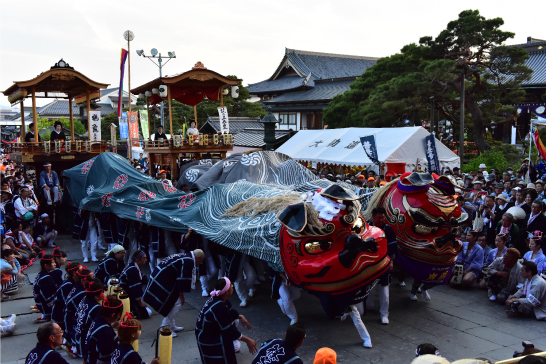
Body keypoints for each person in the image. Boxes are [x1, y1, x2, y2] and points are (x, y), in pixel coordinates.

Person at [195, 277, 257, 363]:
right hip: (207, 338)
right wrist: (248, 340)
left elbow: (230, 312)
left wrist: (240, 316)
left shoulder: (216, 298)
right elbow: (230, 330)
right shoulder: (219, 307)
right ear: (227, 291)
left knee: (235, 319)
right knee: (227, 351)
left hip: (206, 332)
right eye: (231, 285)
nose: (232, 287)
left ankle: (234, 345)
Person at [143, 249, 205, 337]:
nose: (199, 264)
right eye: (200, 261)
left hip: (160, 276)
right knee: (178, 302)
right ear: (198, 257)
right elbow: (181, 280)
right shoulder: (189, 261)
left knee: (173, 302)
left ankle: (171, 325)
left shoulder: (186, 256)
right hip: (162, 279)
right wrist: (182, 296)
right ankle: (164, 327)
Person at [368, 207, 398, 321]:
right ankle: (368, 306)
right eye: (379, 217)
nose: (381, 220)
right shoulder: (367, 228)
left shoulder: (388, 230)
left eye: (383, 217)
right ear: (373, 217)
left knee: (384, 290)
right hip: (369, 263)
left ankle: (384, 314)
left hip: (383, 263)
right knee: (368, 287)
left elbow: (392, 248)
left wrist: (391, 262)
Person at [51, 262, 81, 349]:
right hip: (60, 316)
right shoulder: (67, 286)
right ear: (75, 274)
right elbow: (68, 305)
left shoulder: (73, 283)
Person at [86, 295, 123, 364]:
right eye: (119, 314)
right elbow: (107, 358)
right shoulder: (104, 332)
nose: (119, 317)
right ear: (113, 314)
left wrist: (112, 326)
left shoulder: (98, 319)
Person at [64, 268, 94, 357]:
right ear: (83, 280)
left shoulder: (78, 287)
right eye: (91, 279)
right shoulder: (82, 293)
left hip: (72, 317)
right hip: (70, 320)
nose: (92, 282)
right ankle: (76, 347)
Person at [73, 278, 105, 358]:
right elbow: (99, 327)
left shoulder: (84, 300)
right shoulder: (96, 308)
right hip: (85, 345)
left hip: (77, 340)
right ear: (97, 297)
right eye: (103, 292)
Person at [119, 250, 151, 319]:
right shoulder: (132, 270)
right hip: (126, 295)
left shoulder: (133, 266)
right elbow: (135, 288)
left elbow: (143, 278)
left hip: (128, 292)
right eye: (144, 258)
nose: (146, 260)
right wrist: (140, 303)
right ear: (138, 260)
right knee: (147, 313)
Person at [33, 252, 58, 323]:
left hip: (41, 302)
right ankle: (47, 315)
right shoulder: (45, 278)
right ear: (46, 265)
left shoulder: (43, 274)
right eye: (53, 263)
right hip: (44, 305)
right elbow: (48, 297)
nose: (55, 264)